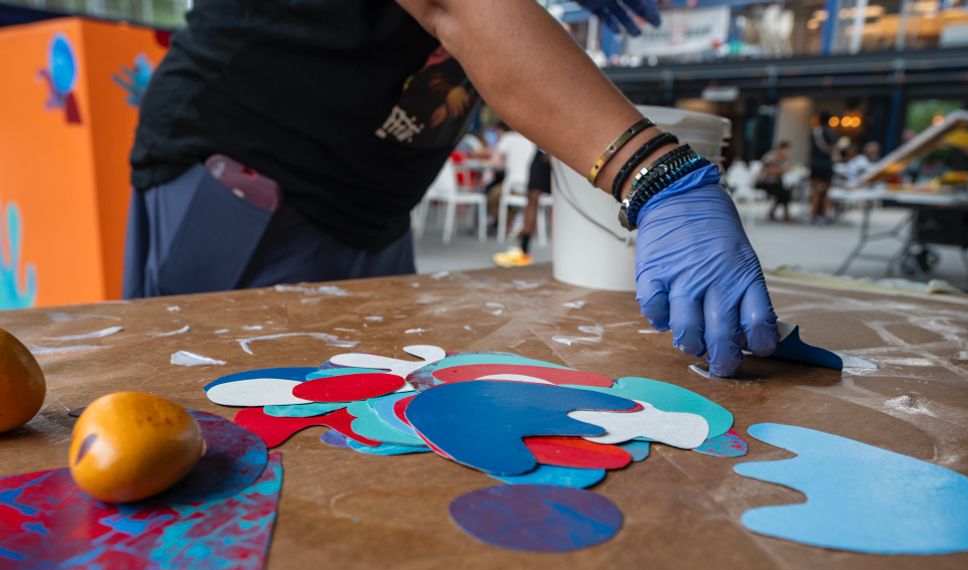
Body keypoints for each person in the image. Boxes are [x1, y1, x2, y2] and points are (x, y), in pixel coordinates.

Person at [123, 0, 777, 378]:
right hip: (251, 178)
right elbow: (461, 10)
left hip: (371, 204)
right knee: (227, 433)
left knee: (357, 428)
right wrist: (656, 174)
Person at [493, 148, 550, 267]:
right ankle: (523, 250)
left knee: (532, 202)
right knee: (532, 203)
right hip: (547, 155)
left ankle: (524, 251)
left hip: (545, 155)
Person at [809, 112, 837, 224]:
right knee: (827, 192)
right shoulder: (830, 133)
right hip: (826, 164)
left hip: (815, 164)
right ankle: (825, 217)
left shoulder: (814, 132)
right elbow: (832, 149)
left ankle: (813, 216)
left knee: (815, 192)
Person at [756, 140, 793, 222]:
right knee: (784, 193)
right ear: (781, 149)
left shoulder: (784, 159)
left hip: (774, 183)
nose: (787, 152)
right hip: (763, 182)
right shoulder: (771, 156)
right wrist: (784, 169)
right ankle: (785, 215)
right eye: (786, 150)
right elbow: (770, 170)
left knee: (784, 191)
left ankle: (774, 213)